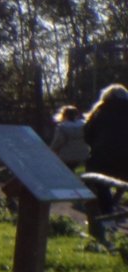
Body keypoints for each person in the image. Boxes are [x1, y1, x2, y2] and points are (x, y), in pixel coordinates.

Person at [84, 83, 128, 214]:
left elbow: (88, 134)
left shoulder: (99, 111)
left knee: (95, 179)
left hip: (103, 158)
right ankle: (114, 202)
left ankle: (107, 209)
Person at [48, 104, 90, 171]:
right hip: (83, 153)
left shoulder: (62, 127)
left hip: (67, 155)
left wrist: (51, 149)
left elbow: (58, 141)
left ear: (64, 115)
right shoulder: (84, 125)